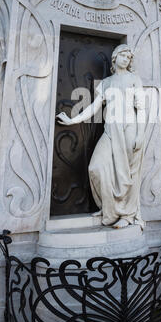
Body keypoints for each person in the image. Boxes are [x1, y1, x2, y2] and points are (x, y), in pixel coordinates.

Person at [57, 44, 145, 229]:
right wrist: (72, 120)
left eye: (128, 57)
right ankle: (108, 208)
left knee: (128, 174)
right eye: (122, 55)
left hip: (129, 129)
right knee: (95, 167)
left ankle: (127, 215)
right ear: (114, 58)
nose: (125, 59)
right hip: (111, 130)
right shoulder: (107, 83)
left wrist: (140, 134)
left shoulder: (134, 79)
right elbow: (94, 108)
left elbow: (141, 109)